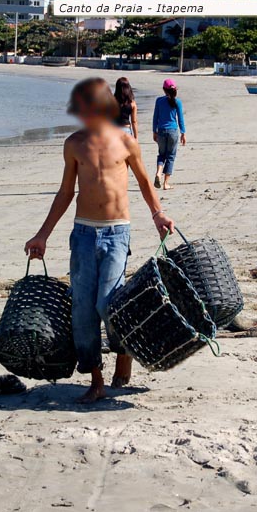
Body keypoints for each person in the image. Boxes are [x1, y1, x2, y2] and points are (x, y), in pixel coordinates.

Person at [24, 78, 174, 404]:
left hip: (118, 232)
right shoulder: (74, 144)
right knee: (82, 310)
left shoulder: (127, 142)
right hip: (83, 234)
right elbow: (66, 192)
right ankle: (95, 379)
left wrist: (158, 215)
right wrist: (43, 234)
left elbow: (146, 182)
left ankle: (123, 352)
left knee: (108, 303)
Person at [153, 79, 186, 190]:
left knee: (161, 154)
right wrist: (183, 132)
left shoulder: (159, 101)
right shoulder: (177, 102)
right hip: (173, 131)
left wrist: (154, 131)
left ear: (164, 90)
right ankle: (166, 183)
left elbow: (155, 117)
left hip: (161, 131)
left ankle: (158, 173)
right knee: (171, 156)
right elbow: (180, 119)